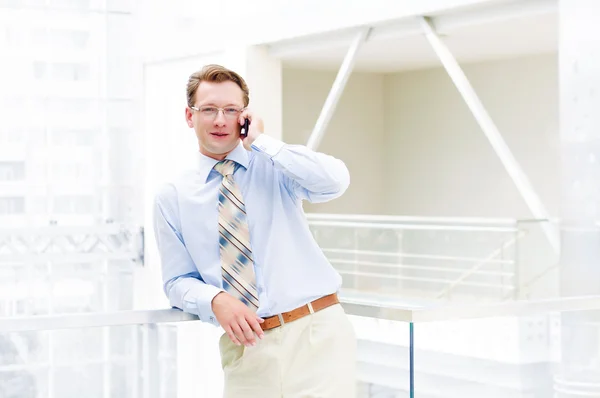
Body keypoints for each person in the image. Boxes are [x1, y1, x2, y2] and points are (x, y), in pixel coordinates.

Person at [152, 64, 356, 398]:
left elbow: (335, 181)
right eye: (209, 110)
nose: (220, 120)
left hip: (316, 335)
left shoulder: (274, 165)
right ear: (190, 117)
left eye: (231, 110)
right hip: (247, 348)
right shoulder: (172, 196)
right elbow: (176, 281)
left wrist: (262, 142)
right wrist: (214, 299)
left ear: (244, 116)